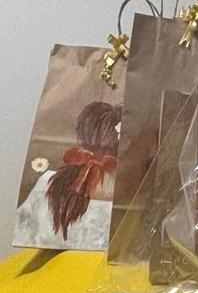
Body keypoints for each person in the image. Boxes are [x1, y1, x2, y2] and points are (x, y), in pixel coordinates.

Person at [14, 101, 122, 250]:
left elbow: (24, 231)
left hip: (49, 260)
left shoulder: (48, 181)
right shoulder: (129, 190)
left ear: (81, 134)